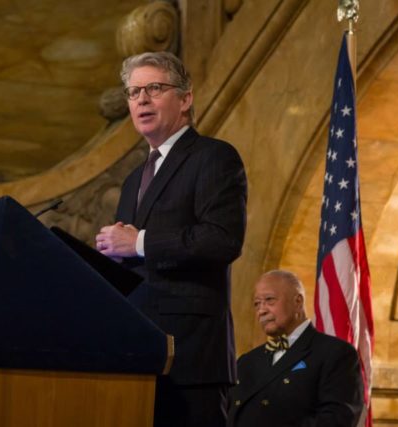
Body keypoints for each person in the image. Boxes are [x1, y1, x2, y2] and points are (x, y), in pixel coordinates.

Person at [95, 51, 247, 427]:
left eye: (154, 88)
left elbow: (223, 240)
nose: (142, 100)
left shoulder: (214, 157)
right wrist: (110, 258)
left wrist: (139, 243)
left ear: (185, 98)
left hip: (191, 357)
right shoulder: (133, 180)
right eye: (134, 93)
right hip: (136, 353)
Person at [227, 270, 364, 427]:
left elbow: (336, 420)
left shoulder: (336, 353)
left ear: (298, 302)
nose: (261, 311)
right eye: (257, 304)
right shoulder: (246, 361)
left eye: (269, 300)